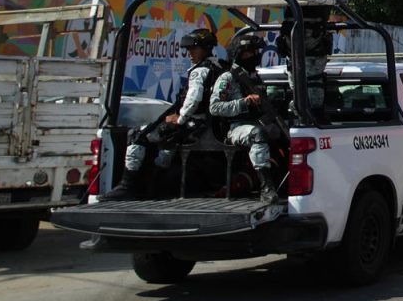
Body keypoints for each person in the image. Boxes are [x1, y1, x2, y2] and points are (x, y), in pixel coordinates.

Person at [102, 28, 224, 200]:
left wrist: (180, 119)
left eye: (193, 49)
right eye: (188, 50)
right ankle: (153, 186)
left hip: (193, 127)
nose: (189, 54)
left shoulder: (199, 71)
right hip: (205, 127)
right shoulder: (218, 67)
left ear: (205, 49)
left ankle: (127, 186)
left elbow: (193, 99)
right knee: (164, 143)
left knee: (137, 135)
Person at [210, 30, 283, 201]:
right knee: (258, 134)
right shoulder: (228, 78)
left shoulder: (254, 77)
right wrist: (245, 102)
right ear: (240, 54)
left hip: (259, 121)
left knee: (289, 135)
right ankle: (266, 188)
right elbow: (214, 108)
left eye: (256, 52)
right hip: (236, 127)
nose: (255, 56)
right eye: (251, 52)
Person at [278, 0, 347, 119]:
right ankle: (313, 119)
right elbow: (343, 1)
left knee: (296, 82)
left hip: (291, 42)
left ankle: (296, 116)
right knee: (314, 81)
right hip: (315, 42)